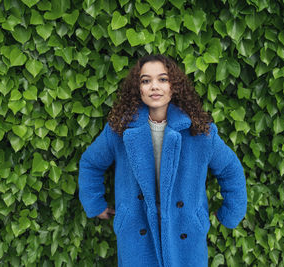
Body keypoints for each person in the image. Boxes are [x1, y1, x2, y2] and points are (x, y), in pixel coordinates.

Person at [78, 54, 247, 267]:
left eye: (163, 79)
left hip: (185, 231)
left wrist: (231, 212)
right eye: (146, 80)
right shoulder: (119, 129)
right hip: (136, 231)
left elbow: (230, 169)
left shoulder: (200, 131)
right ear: (138, 88)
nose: (154, 86)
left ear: (174, 86)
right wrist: (95, 203)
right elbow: (91, 163)